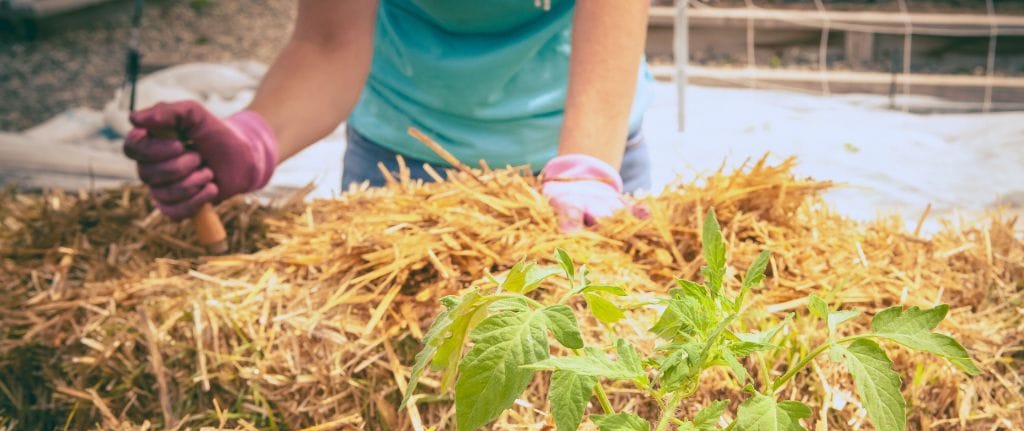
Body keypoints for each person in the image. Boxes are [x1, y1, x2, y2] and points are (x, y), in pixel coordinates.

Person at [123, 0, 653, 231]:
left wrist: (587, 171)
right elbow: (329, 42)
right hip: (402, 166)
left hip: (588, 162)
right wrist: (257, 137)